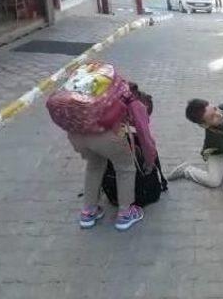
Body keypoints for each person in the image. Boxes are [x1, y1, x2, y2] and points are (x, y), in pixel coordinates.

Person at [67, 81, 157, 232]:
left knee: (94, 166)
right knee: (125, 167)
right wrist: (149, 161)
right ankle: (125, 215)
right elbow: (146, 140)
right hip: (102, 135)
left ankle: (89, 212)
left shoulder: (111, 91)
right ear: (145, 104)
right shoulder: (137, 105)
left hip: (75, 132)